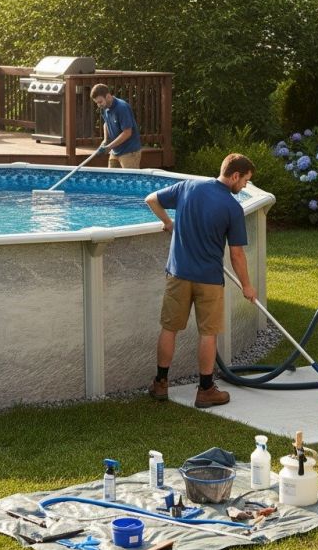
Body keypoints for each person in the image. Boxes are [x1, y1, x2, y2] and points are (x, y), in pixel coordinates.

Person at [144, 153, 258, 408]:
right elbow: (237, 254)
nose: (244, 187)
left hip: (178, 274)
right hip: (209, 279)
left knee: (169, 328)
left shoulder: (188, 186)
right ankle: (206, 390)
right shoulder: (232, 208)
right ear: (235, 175)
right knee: (208, 333)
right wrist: (247, 286)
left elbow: (151, 199)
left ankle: (161, 383)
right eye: (245, 181)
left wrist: (168, 223)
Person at [90, 83, 141, 168]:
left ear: (108, 96)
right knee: (111, 179)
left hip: (130, 152)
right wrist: (106, 140)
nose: (99, 105)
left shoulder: (122, 108)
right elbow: (106, 123)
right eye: (97, 103)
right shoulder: (104, 108)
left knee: (128, 180)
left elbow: (127, 132)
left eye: (100, 102)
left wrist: (109, 147)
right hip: (115, 151)